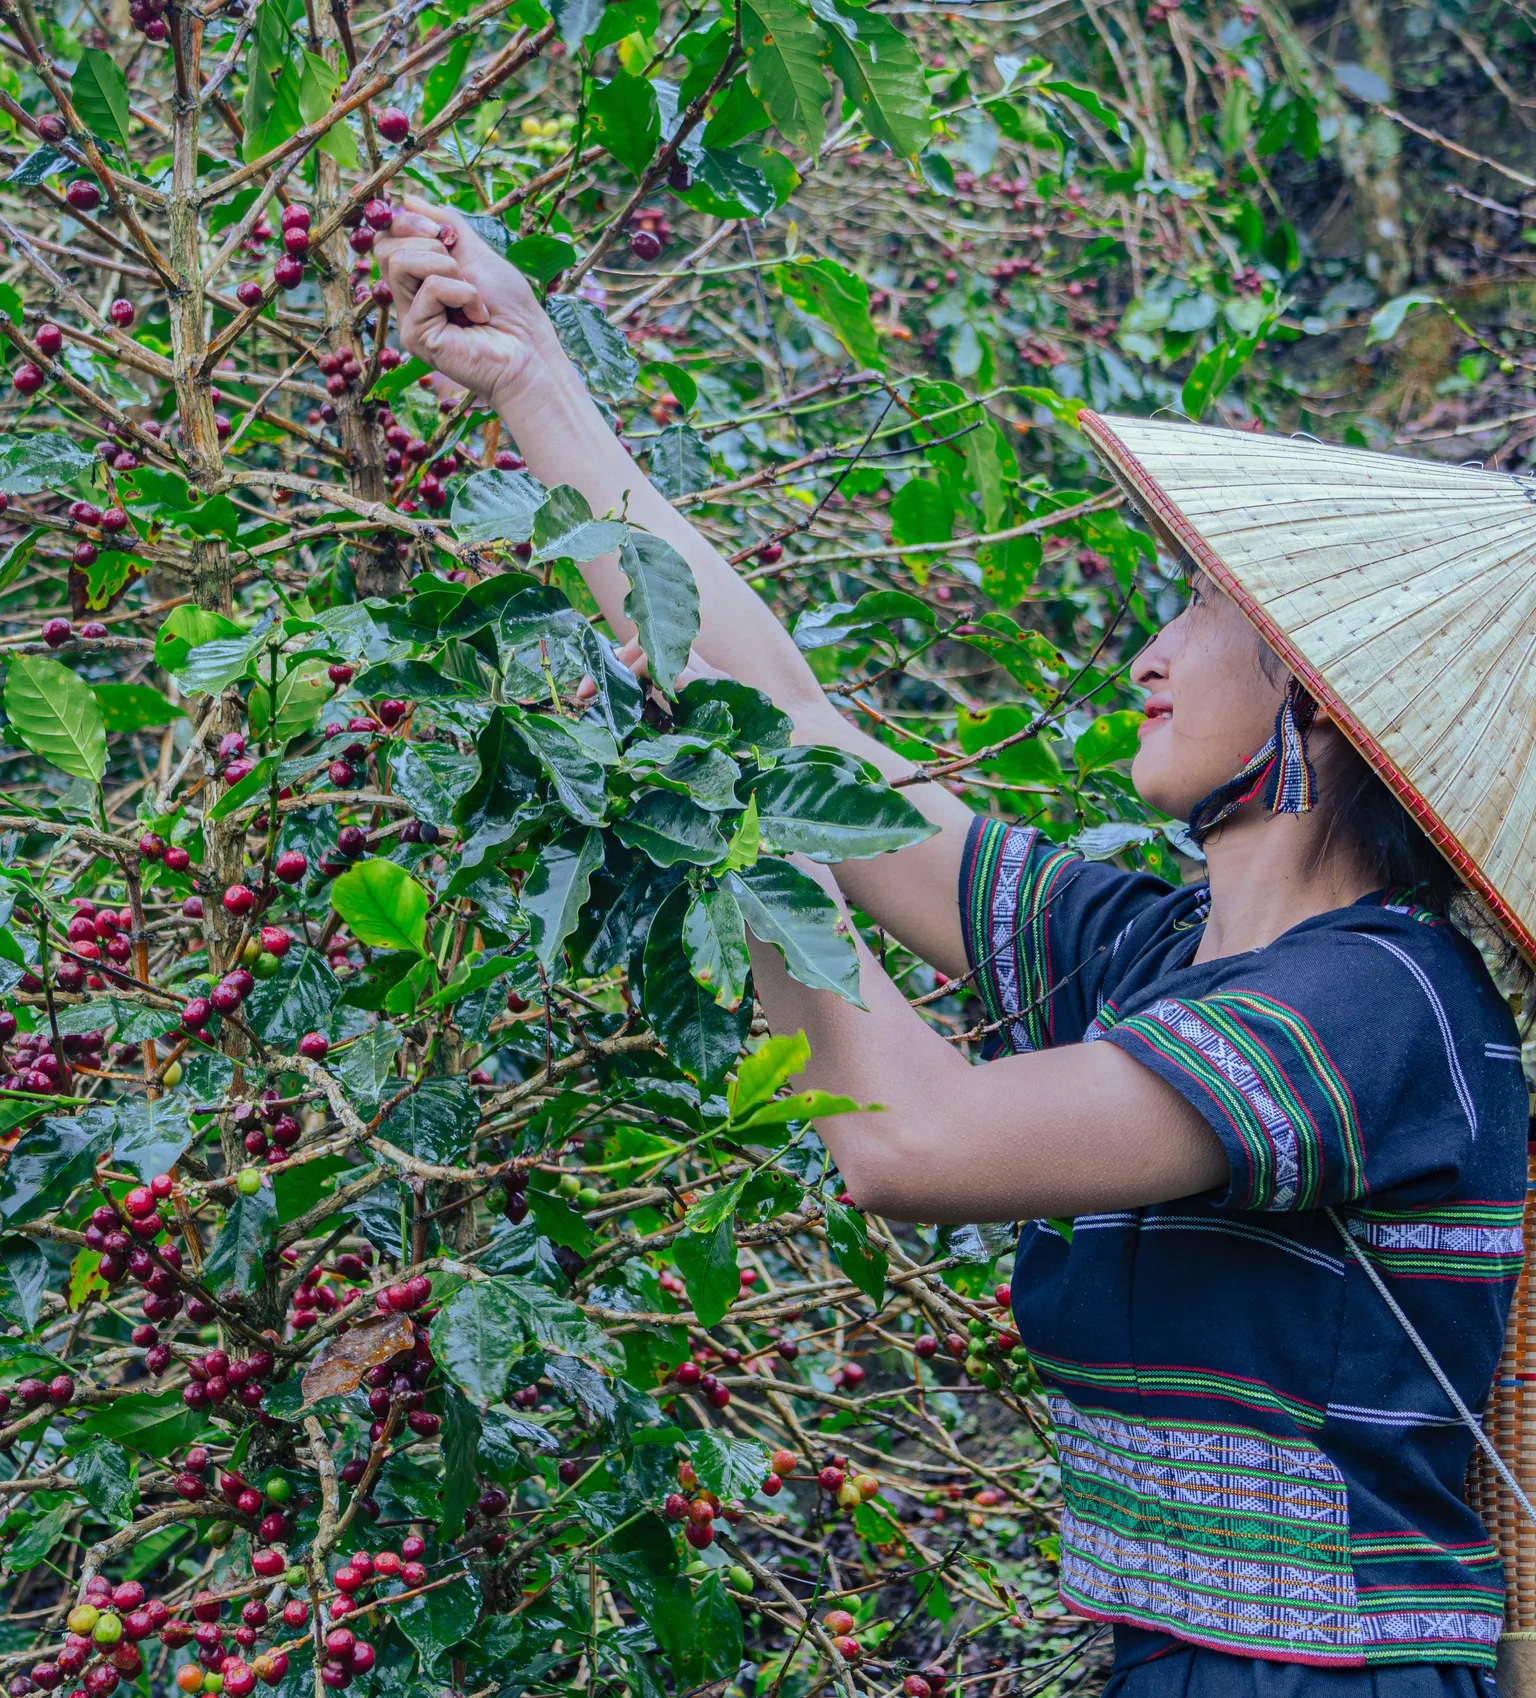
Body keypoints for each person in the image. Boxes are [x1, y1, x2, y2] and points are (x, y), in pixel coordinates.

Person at [375, 200, 1528, 1695]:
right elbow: (798, 724)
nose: (1151, 654)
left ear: (1317, 694)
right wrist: (540, 386)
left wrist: (699, 793)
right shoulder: (1155, 954)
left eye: (1200, 611)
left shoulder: (1376, 1004)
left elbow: (909, 1141)